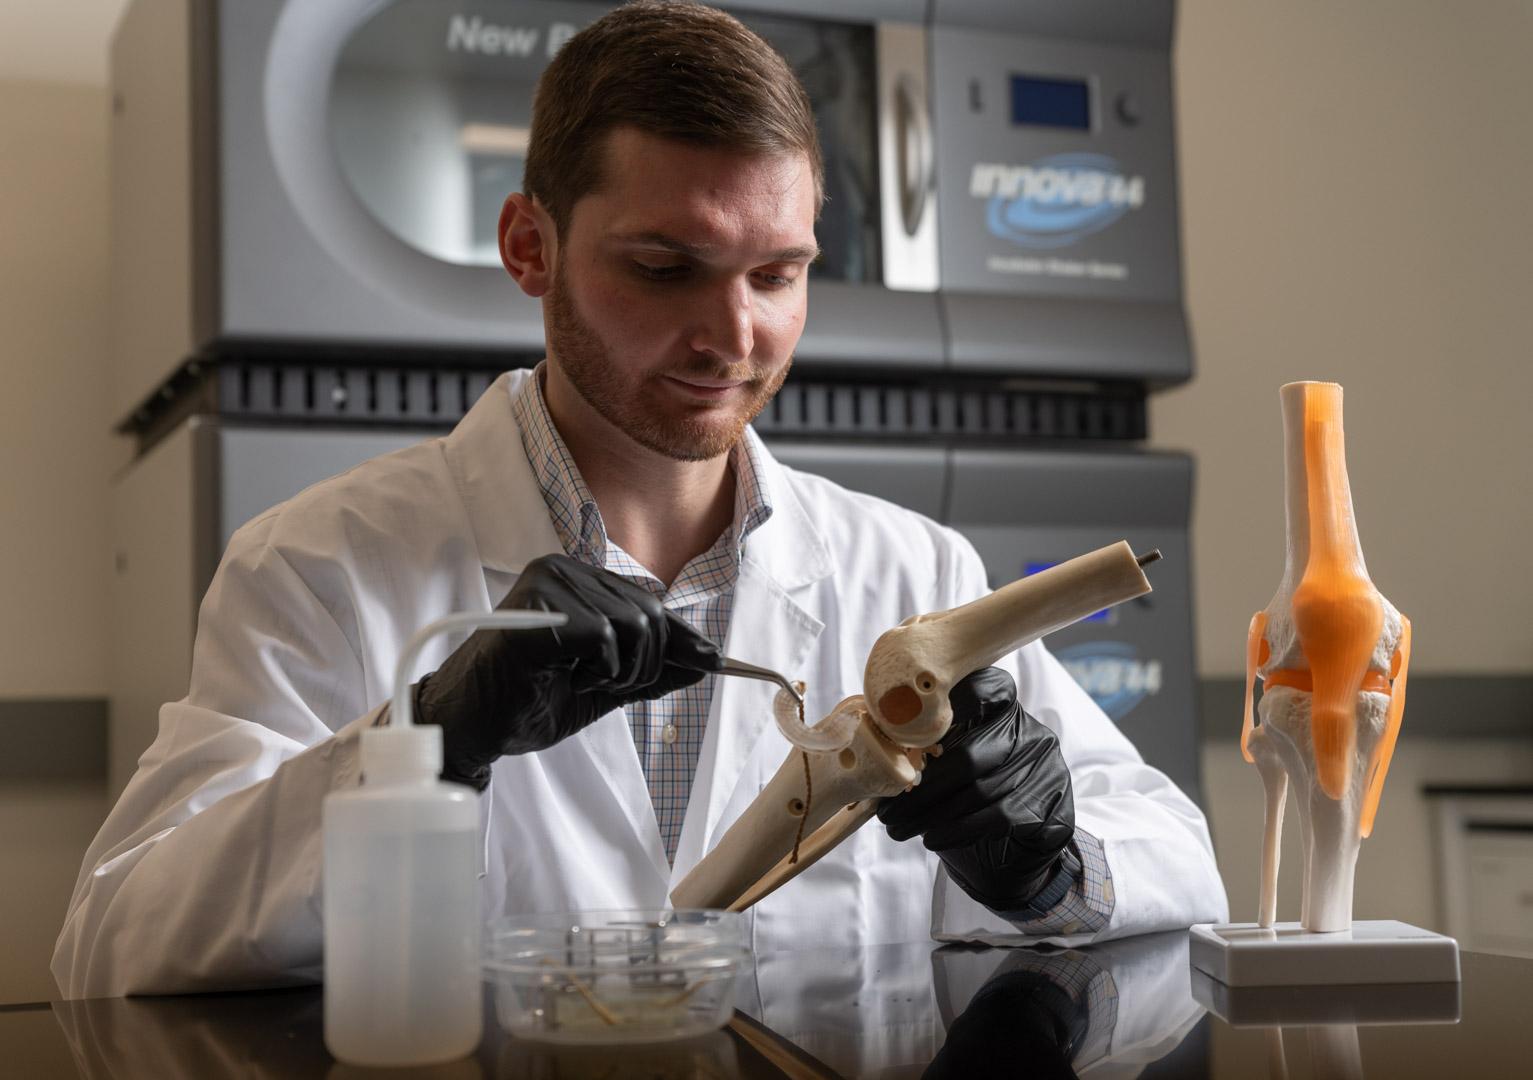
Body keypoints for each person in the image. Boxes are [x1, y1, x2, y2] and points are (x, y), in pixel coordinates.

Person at [53, 1, 1226, 998]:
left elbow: (1185, 860)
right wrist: (423, 744)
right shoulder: (323, 566)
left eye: (778, 274)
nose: (735, 335)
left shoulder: (911, 571)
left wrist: (1050, 857)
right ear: (531, 247)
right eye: (665, 269)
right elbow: (112, 944)